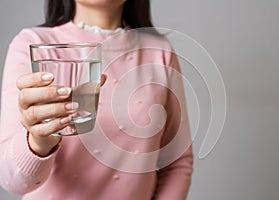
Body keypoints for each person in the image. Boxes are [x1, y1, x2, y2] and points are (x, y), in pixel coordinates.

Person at [0, 0, 194, 199]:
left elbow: (177, 163)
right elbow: (11, 180)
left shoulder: (160, 51)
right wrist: (39, 141)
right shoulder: (33, 44)